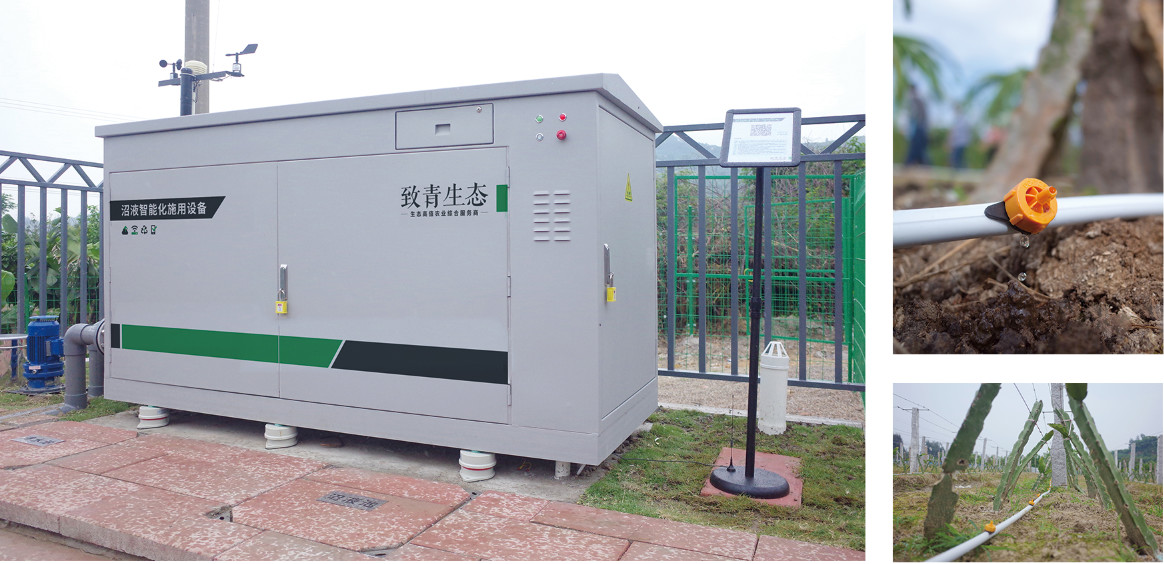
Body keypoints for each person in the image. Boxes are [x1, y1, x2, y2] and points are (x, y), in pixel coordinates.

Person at [905, 84, 929, 165]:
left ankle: (911, 163)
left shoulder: (917, 101)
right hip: (916, 128)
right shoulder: (912, 101)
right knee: (917, 148)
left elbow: (920, 115)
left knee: (917, 148)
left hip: (919, 128)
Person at [948, 104, 972, 169]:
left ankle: (960, 171)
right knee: (960, 158)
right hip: (962, 142)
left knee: (956, 159)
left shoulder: (959, 120)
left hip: (959, 143)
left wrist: (950, 142)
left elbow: (954, 133)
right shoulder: (963, 120)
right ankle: (964, 170)